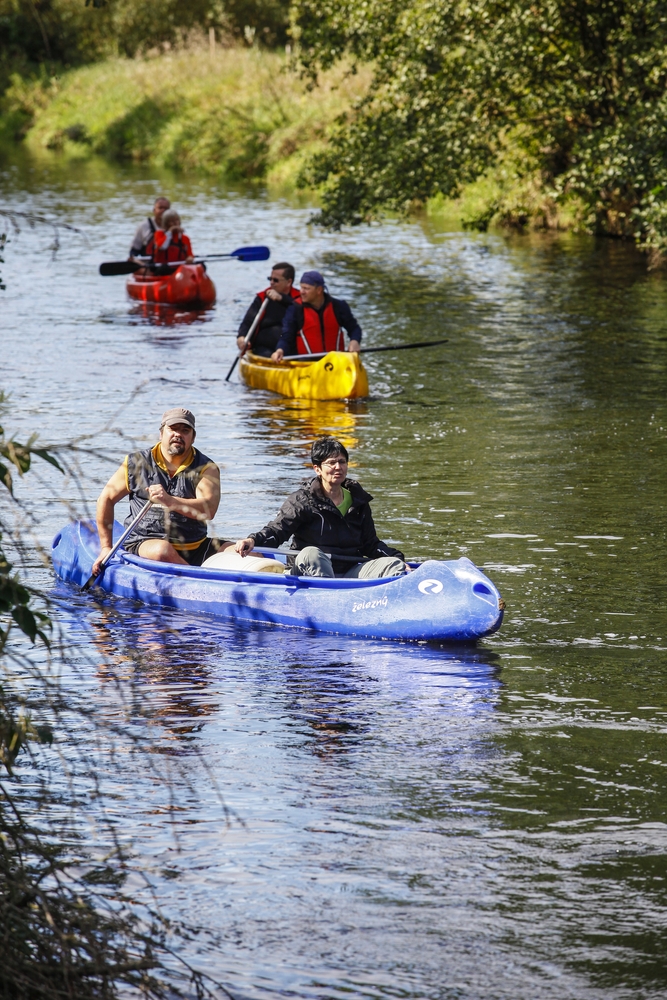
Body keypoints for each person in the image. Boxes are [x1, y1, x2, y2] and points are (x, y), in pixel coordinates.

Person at [235, 437, 407, 579]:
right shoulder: (302, 500)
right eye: (331, 463)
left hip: (348, 572)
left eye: (342, 462)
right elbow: (277, 530)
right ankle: (327, 597)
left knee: (394, 565)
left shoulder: (358, 501)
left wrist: (397, 558)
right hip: (310, 570)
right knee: (311, 554)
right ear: (317, 469)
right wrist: (253, 540)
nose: (338, 467)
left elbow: (370, 544)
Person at [91, 407, 232, 577]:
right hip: (145, 543)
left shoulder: (207, 468)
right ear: (161, 433)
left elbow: (209, 509)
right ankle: (200, 580)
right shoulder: (136, 463)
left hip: (195, 545)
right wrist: (106, 547)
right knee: (163, 550)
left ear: (193, 437)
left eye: (185, 430)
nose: (178, 434)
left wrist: (170, 501)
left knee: (243, 552)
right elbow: (105, 499)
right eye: (173, 429)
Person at [271, 270, 361, 361]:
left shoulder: (339, 306)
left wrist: (355, 341)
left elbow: (354, 328)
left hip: (336, 362)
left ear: (319, 290)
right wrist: (280, 350)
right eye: (301, 287)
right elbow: (286, 335)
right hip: (308, 365)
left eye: (306, 288)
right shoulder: (295, 309)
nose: (302, 292)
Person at [236, 262, 301, 358]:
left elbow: (302, 310)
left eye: (276, 280)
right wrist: (241, 337)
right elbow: (248, 321)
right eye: (270, 279)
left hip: (292, 348)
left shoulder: (299, 298)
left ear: (289, 282)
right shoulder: (262, 297)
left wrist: (282, 299)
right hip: (264, 348)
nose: (271, 283)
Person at [129, 196, 170, 261]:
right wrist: (133, 259)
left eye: (166, 209)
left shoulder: (175, 227)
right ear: (154, 210)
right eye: (160, 208)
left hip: (171, 263)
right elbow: (134, 250)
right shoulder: (143, 226)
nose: (163, 211)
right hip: (149, 264)